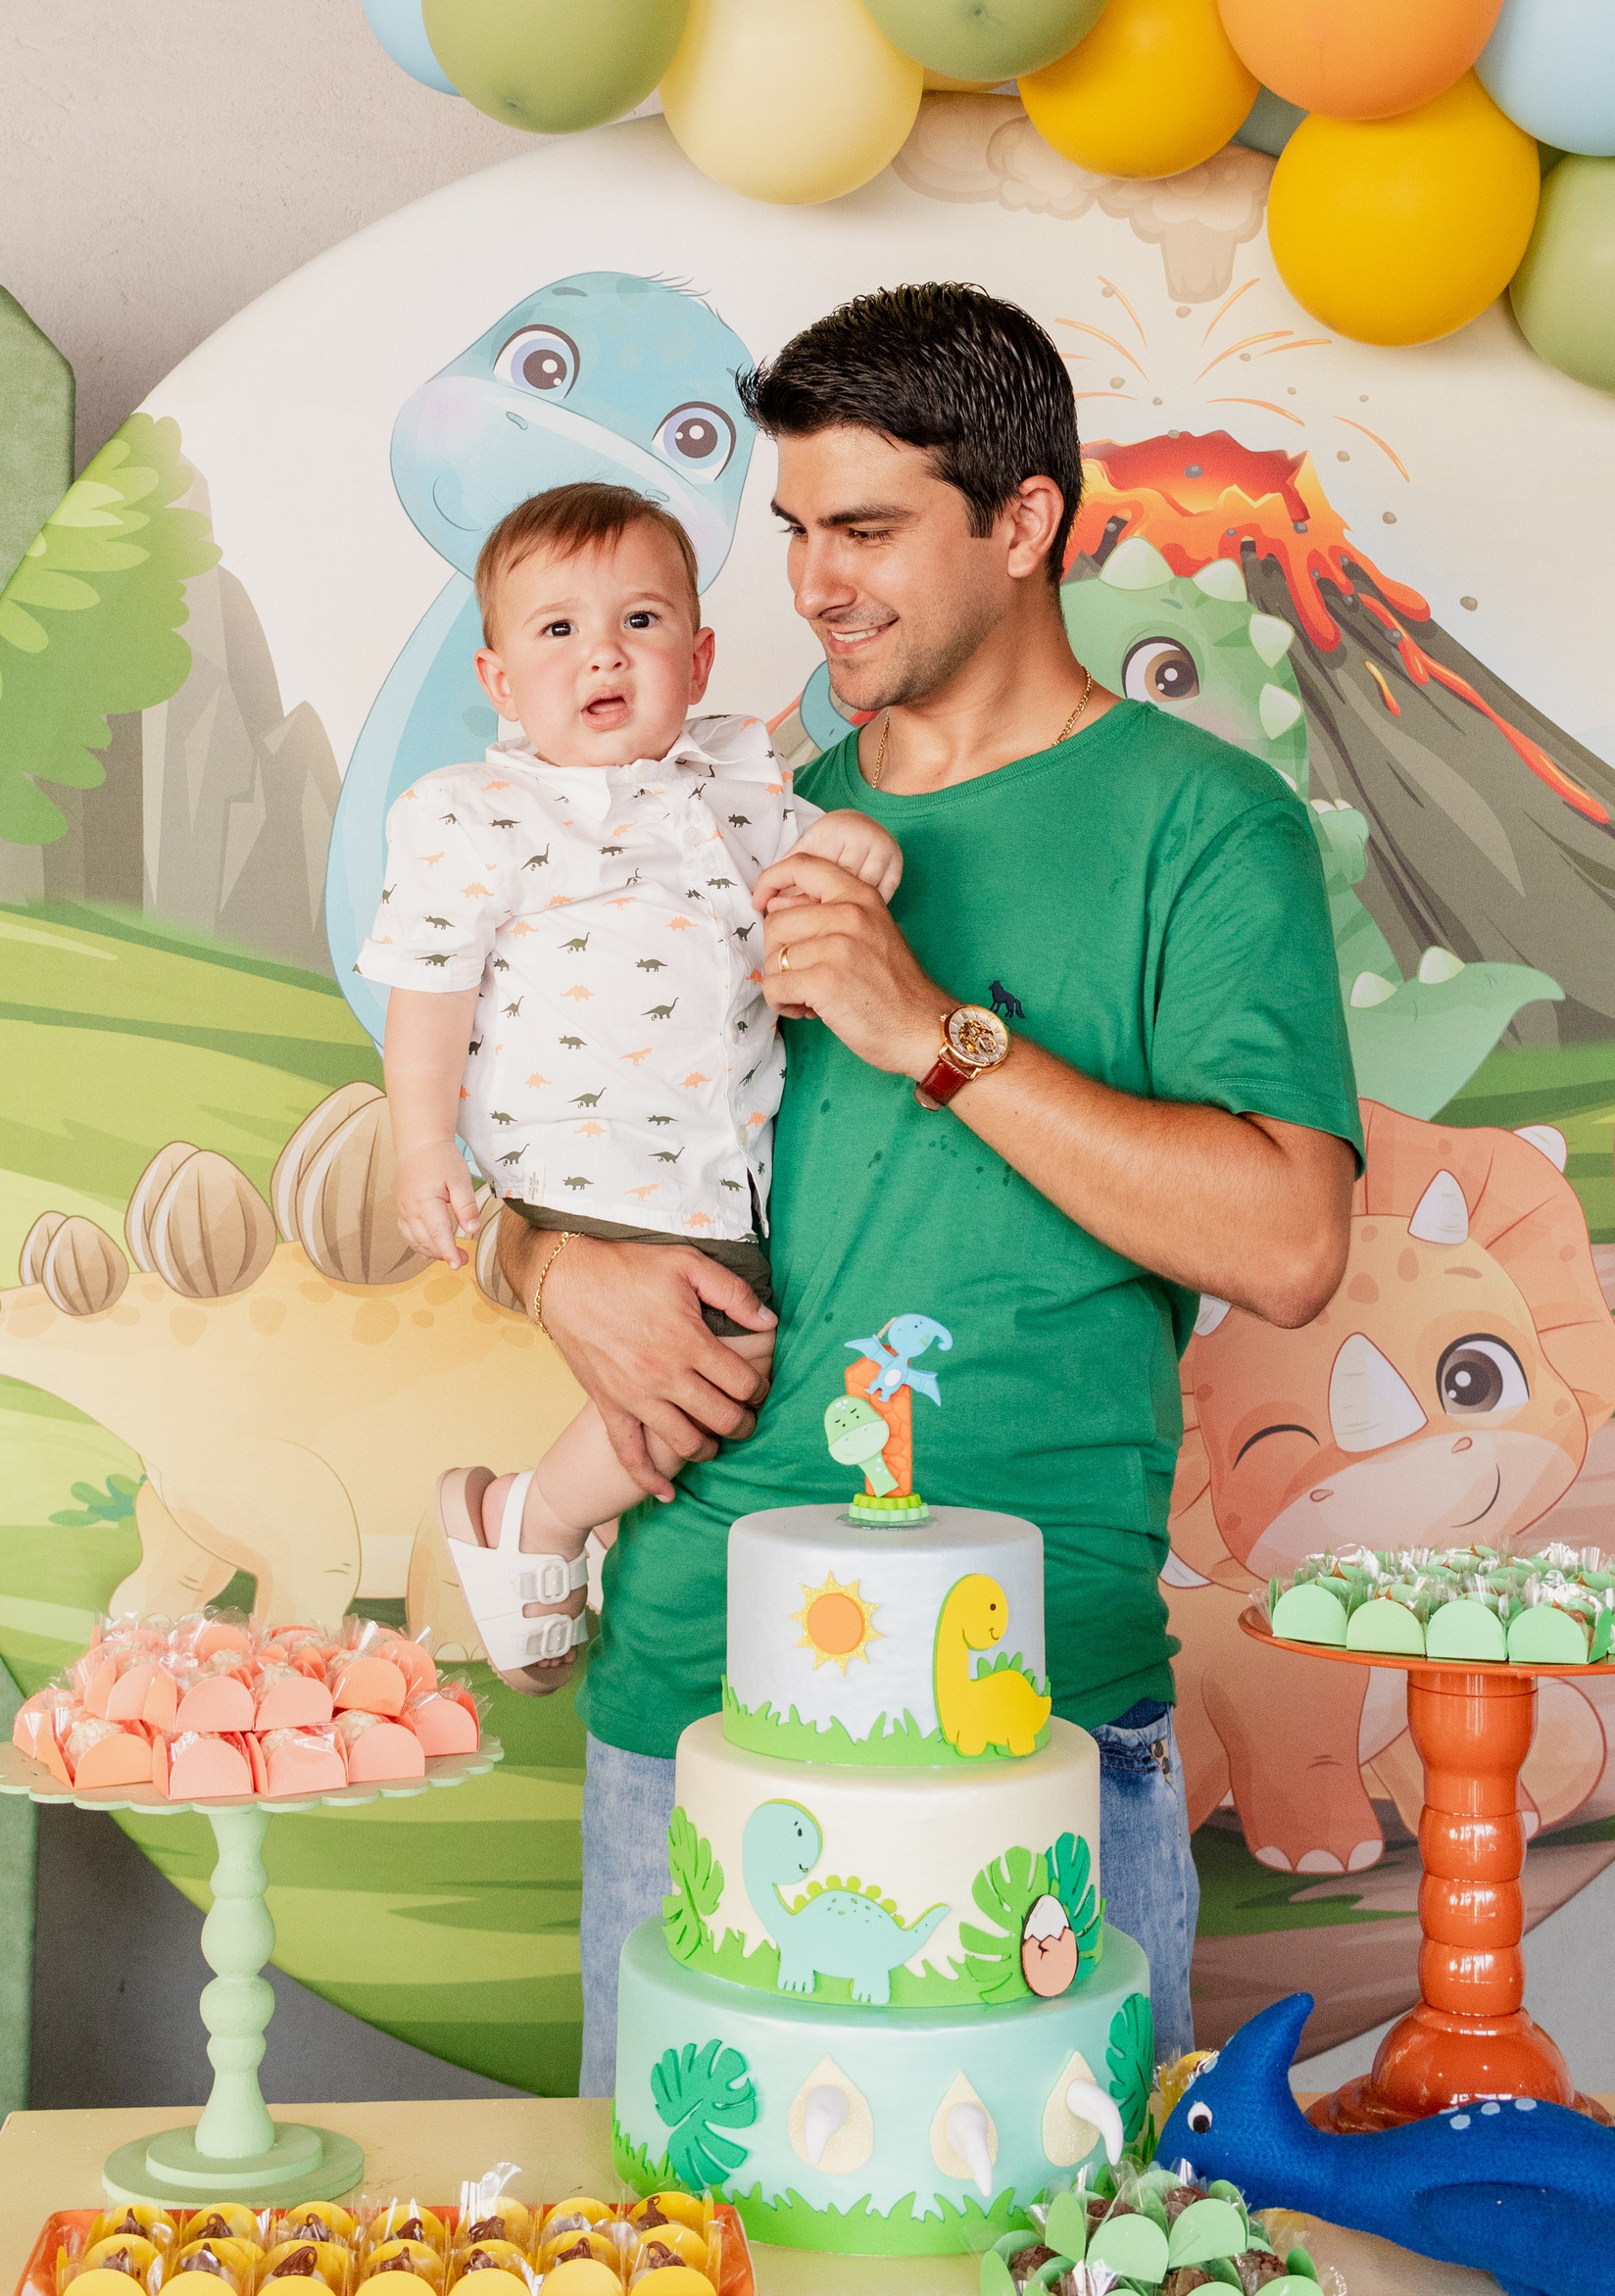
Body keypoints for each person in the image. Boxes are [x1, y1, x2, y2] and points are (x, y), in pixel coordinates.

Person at [493, 283, 1364, 2093]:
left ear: (1025, 520)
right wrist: (542, 1266)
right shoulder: (715, 814)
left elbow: (1288, 1242)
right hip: (693, 1687)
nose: (815, 584)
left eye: (870, 530)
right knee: (683, 2214)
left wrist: (934, 1035)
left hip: (1041, 1703)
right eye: (798, 529)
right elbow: (508, 1111)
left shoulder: (1201, 823)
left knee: (1068, 2225)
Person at [358, 480, 899, 1688]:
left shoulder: (748, 797)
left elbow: (811, 917)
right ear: (501, 681)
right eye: (558, 629)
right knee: (717, 1365)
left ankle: (535, 1514)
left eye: (640, 622)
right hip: (581, 1160)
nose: (603, 652)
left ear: (697, 660)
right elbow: (429, 989)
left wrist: (853, 852)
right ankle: (542, 1519)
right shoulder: (477, 815)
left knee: (718, 1368)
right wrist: (423, 1147)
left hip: (718, 1173)